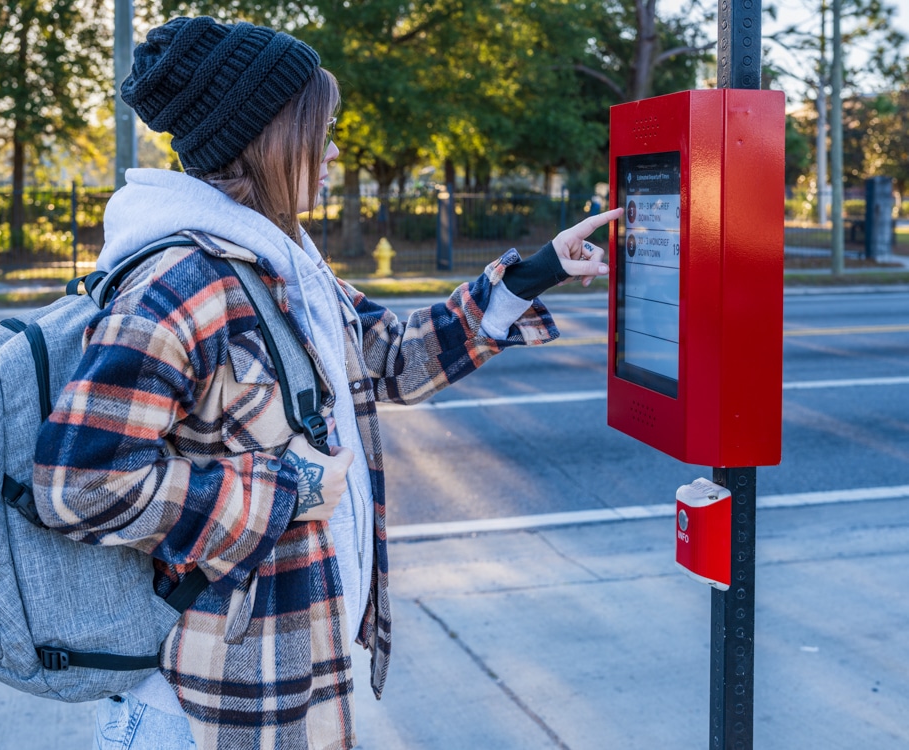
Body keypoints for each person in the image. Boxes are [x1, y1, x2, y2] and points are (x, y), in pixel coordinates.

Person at [33, 15, 621, 750]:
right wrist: (290, 491)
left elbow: (391, 356)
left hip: (285, 687)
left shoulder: (281, 264)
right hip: (199, 715)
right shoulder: (183, 282)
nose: (336, 149)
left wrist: (537, 273)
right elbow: (79, 483)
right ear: (268, 140)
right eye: (323, 130)